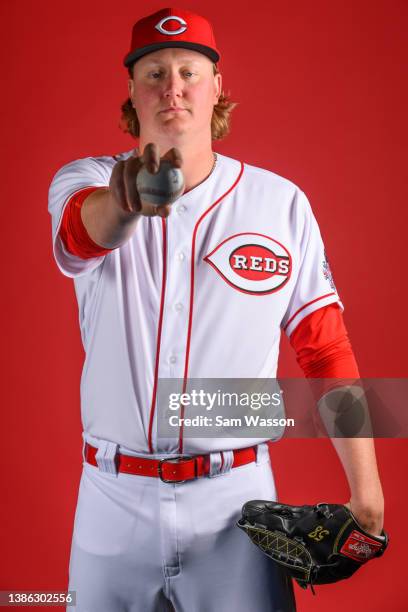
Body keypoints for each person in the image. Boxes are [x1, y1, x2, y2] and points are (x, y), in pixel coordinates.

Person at [48, 7, 385, 612]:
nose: (171, 86)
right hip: (110, 502)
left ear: (216, 87)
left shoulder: (279, 203)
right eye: (153, 73)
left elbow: (325, 346)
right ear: (131, 89)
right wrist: (128, 201)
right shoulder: (87, 180)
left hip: (235, 504)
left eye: (188, 71)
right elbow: (81, 233)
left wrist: (368, 495)